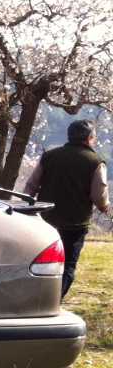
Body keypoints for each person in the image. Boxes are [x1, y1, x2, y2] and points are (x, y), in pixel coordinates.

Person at [24, 119, 110, 298]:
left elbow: (32, 185)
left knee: (40, 263)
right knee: (68, 266)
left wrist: (27, 208)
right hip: (75, 224)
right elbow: (99, 196)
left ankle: (34, 300)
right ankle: (53, 301)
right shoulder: (95, 162)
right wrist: (105, 207)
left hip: (45, 220)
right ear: (89, 138)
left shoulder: (50, 156)